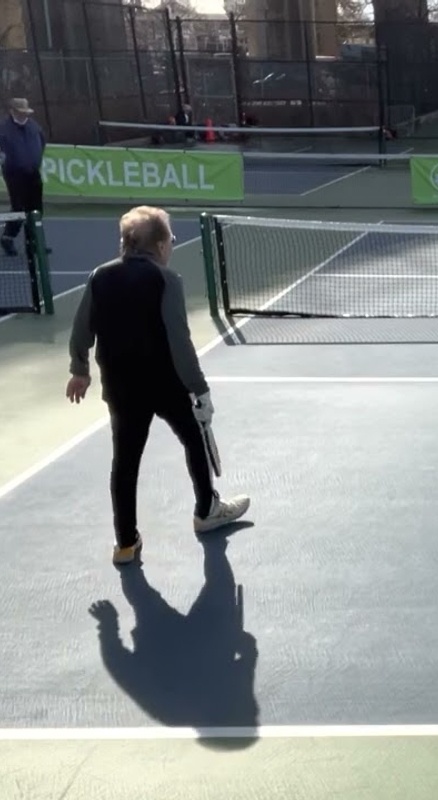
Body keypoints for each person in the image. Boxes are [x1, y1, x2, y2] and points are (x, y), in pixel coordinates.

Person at [66, 205, 251, 566]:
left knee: (125, 462)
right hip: (165, 383)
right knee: (194, 439)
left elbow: (81, 328)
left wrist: (80, 370)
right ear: (161, 246)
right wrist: (199, 389)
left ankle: (125, 543)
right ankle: (206, 511)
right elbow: (179, 342)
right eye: (172, 240)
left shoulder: (100, 276)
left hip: (121, 387)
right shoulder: (167, 281)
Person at [0, 97, 50, 257]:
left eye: (25, 112)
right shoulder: (3, 129)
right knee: (19, 207)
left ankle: (34, 242)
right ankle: (8, 237)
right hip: (14, 173)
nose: (24, 115)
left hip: (33, 172)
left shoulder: (33, 126)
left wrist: (35, 160)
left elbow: (41, 142)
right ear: (12, 111)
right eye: (20, 112)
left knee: (36, 209)